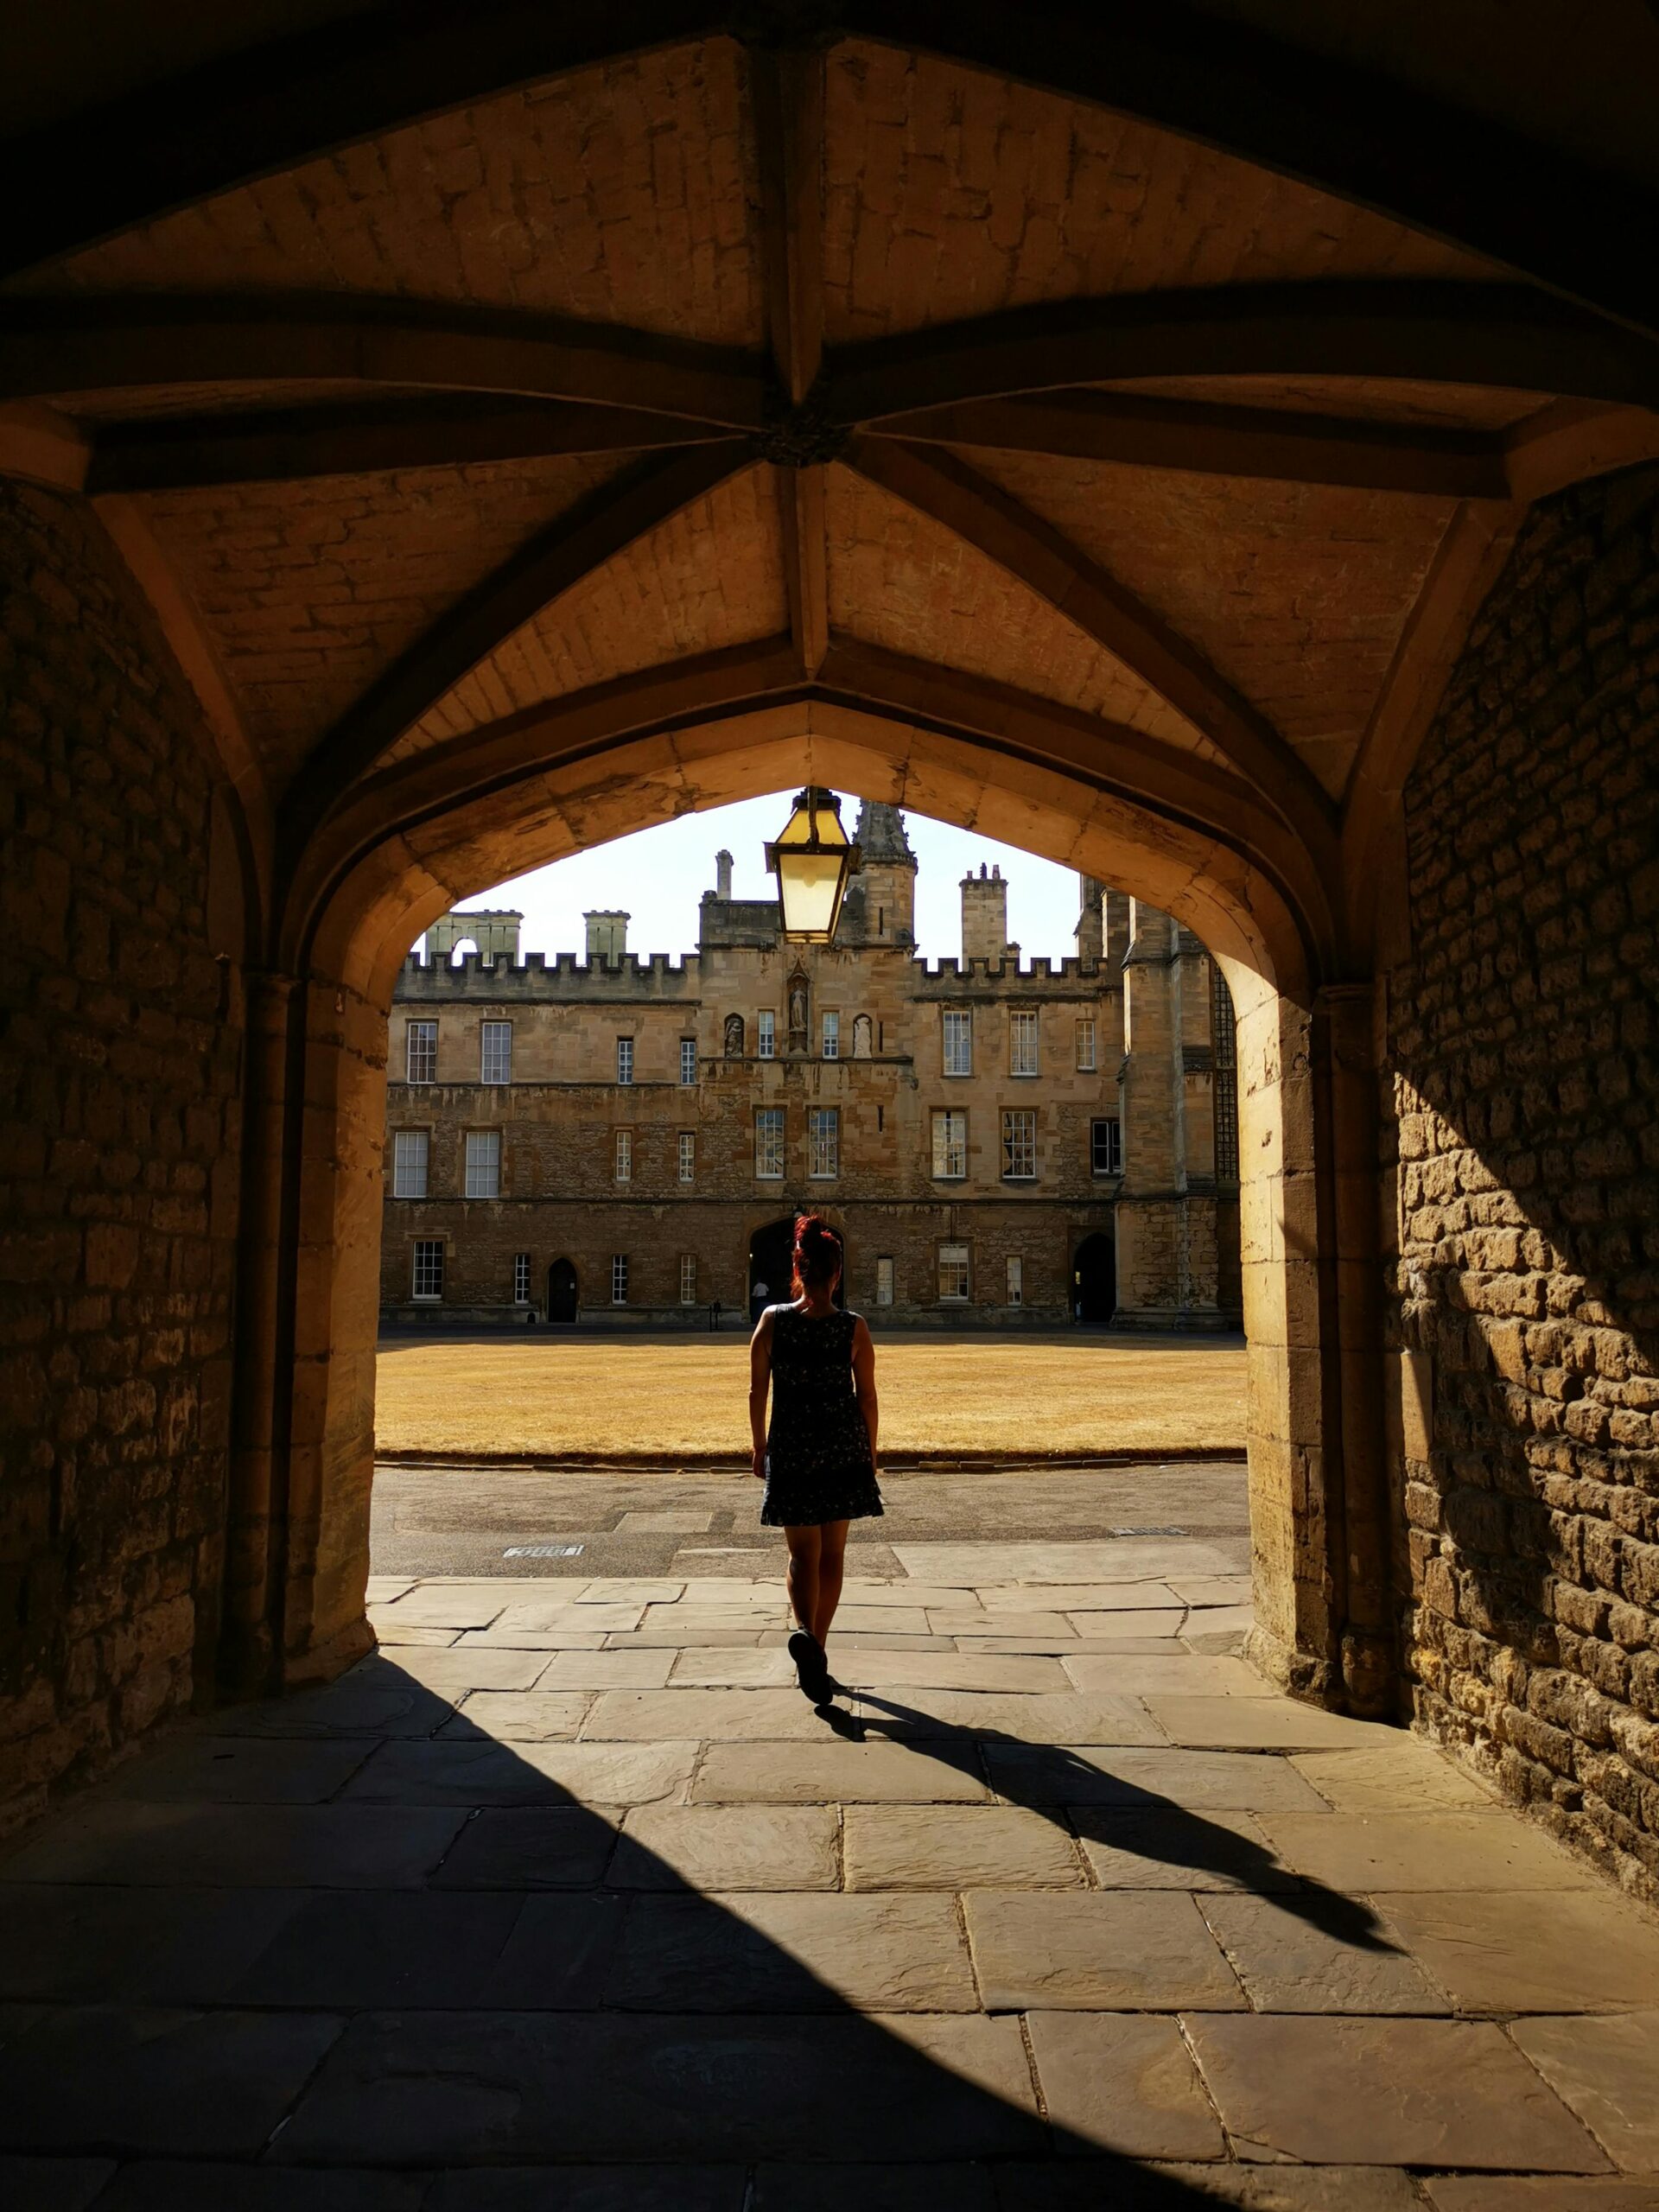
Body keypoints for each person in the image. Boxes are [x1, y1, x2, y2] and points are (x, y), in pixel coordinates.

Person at [749, 1215, 881, 1699]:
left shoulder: (773, 1321)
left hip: (793, 1446)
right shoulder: (853, 1327)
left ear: (798, 1272)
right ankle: (816, 1646)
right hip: (842, 1447)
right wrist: (870, 1450)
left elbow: (756, 1390)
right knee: (833, 1555)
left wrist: (760, 1445)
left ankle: (807, 1637)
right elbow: (866, 1398)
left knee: (801, 1555)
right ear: (837, 1275)